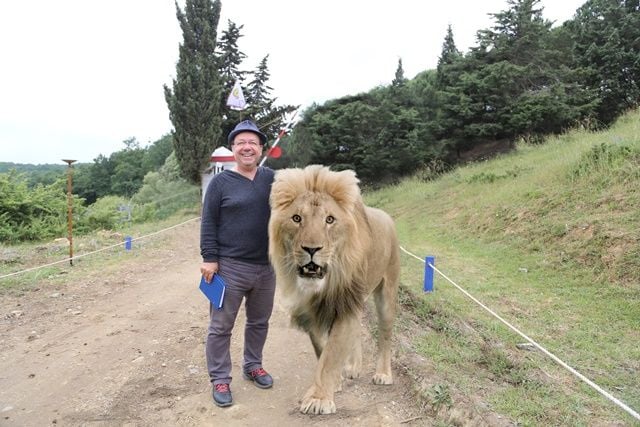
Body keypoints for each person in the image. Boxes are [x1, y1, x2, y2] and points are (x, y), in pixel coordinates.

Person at [200, 119, 276, 408]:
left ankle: (253, 365)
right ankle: (220, 378)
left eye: (252, 143)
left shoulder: (273, 179)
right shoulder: (220, 184)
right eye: (241, 142)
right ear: (233, 148)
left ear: (260, 149)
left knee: (259, 322)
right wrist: (209, 258)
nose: (247, 147)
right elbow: (209, 222)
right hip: (230, 267)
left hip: (266, 268)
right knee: (220, 326)